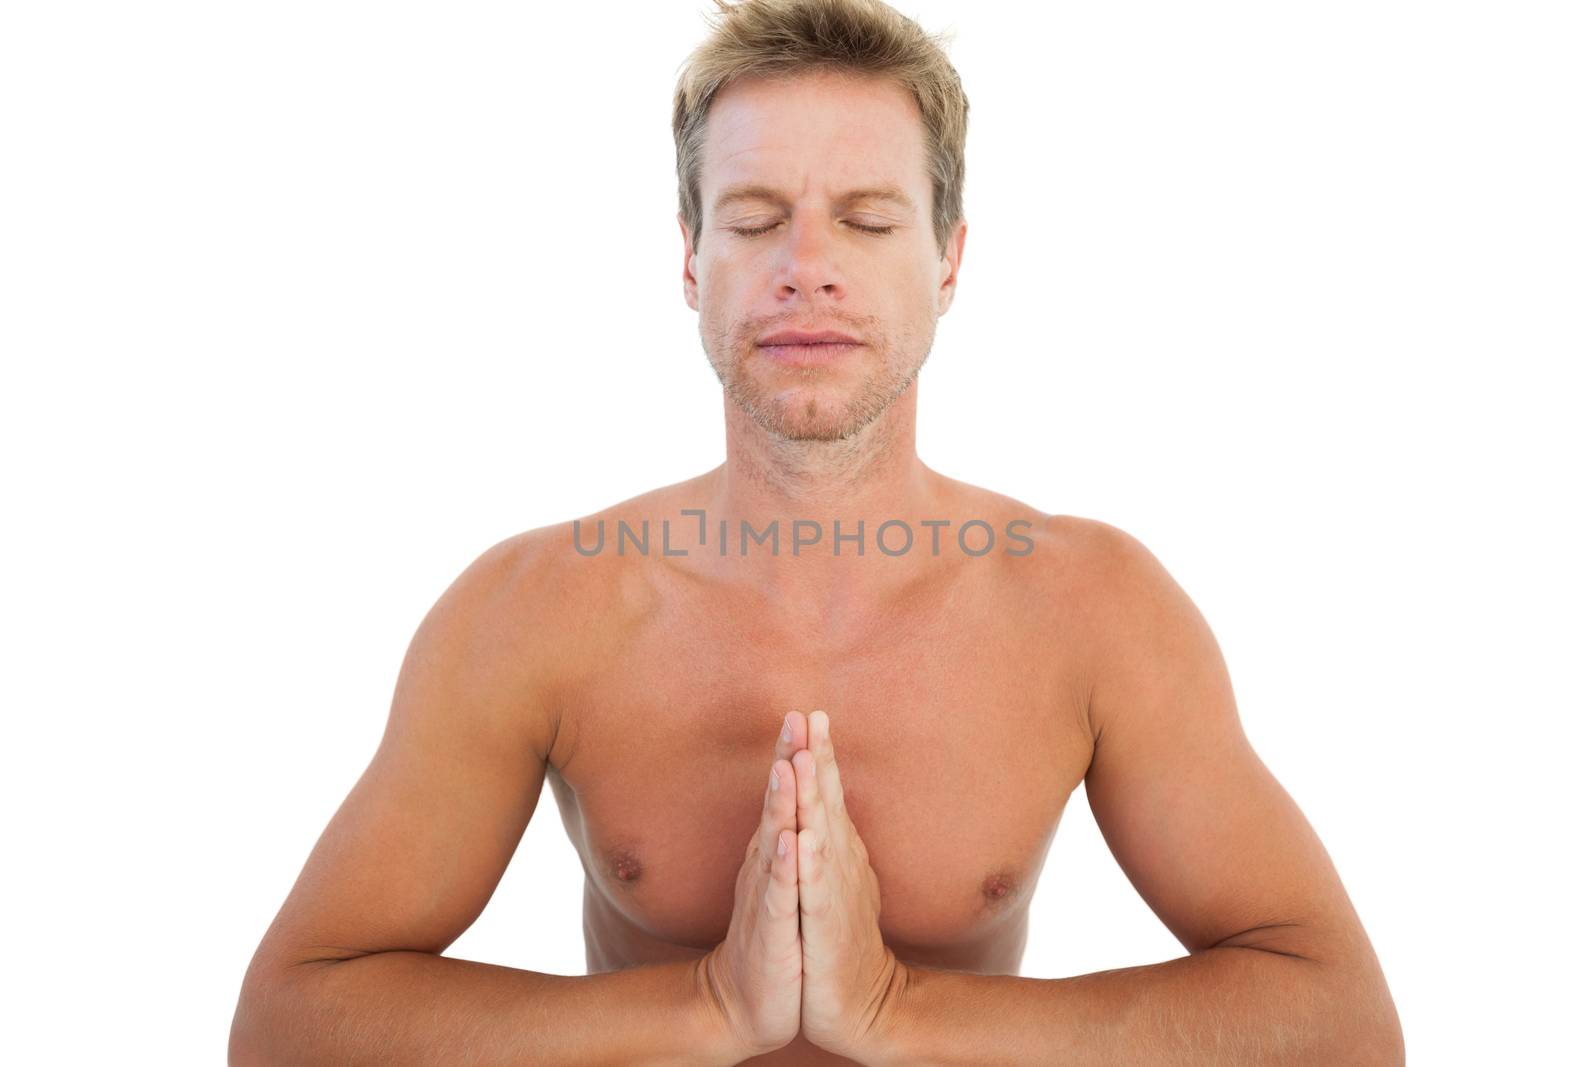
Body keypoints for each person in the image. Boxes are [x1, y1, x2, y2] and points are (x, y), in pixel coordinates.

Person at [229, 1, 1403, 1063]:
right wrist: (708, 1004)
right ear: (691, 259)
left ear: (947, 259)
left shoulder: (1092, 606)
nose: (806, 270)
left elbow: (1342, 1023)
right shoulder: (534, 606)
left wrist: (897, 1007)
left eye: (865, 219)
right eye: (753, 220)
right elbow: (287, 1021)